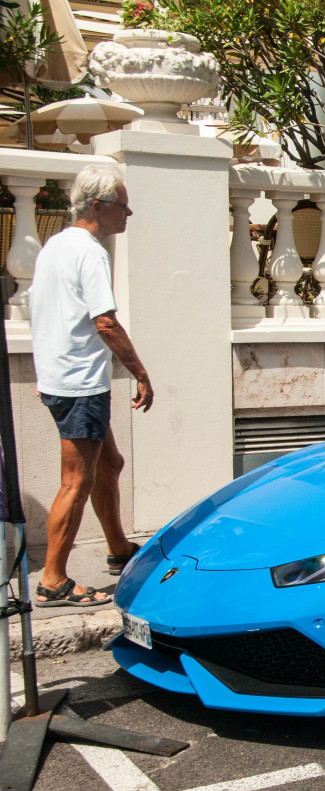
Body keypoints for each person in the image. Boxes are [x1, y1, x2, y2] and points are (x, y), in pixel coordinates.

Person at [28, 163, 153, 607]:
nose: (129, 213)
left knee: (110, 464)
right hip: (79, 384)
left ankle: (119, 549)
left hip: (63, 377)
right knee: (76, 481)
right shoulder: (91, 251)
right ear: (98, 207)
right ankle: (53, 579)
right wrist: (140, 371)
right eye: (123, 204)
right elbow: (105, 321)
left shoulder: (55, 246)